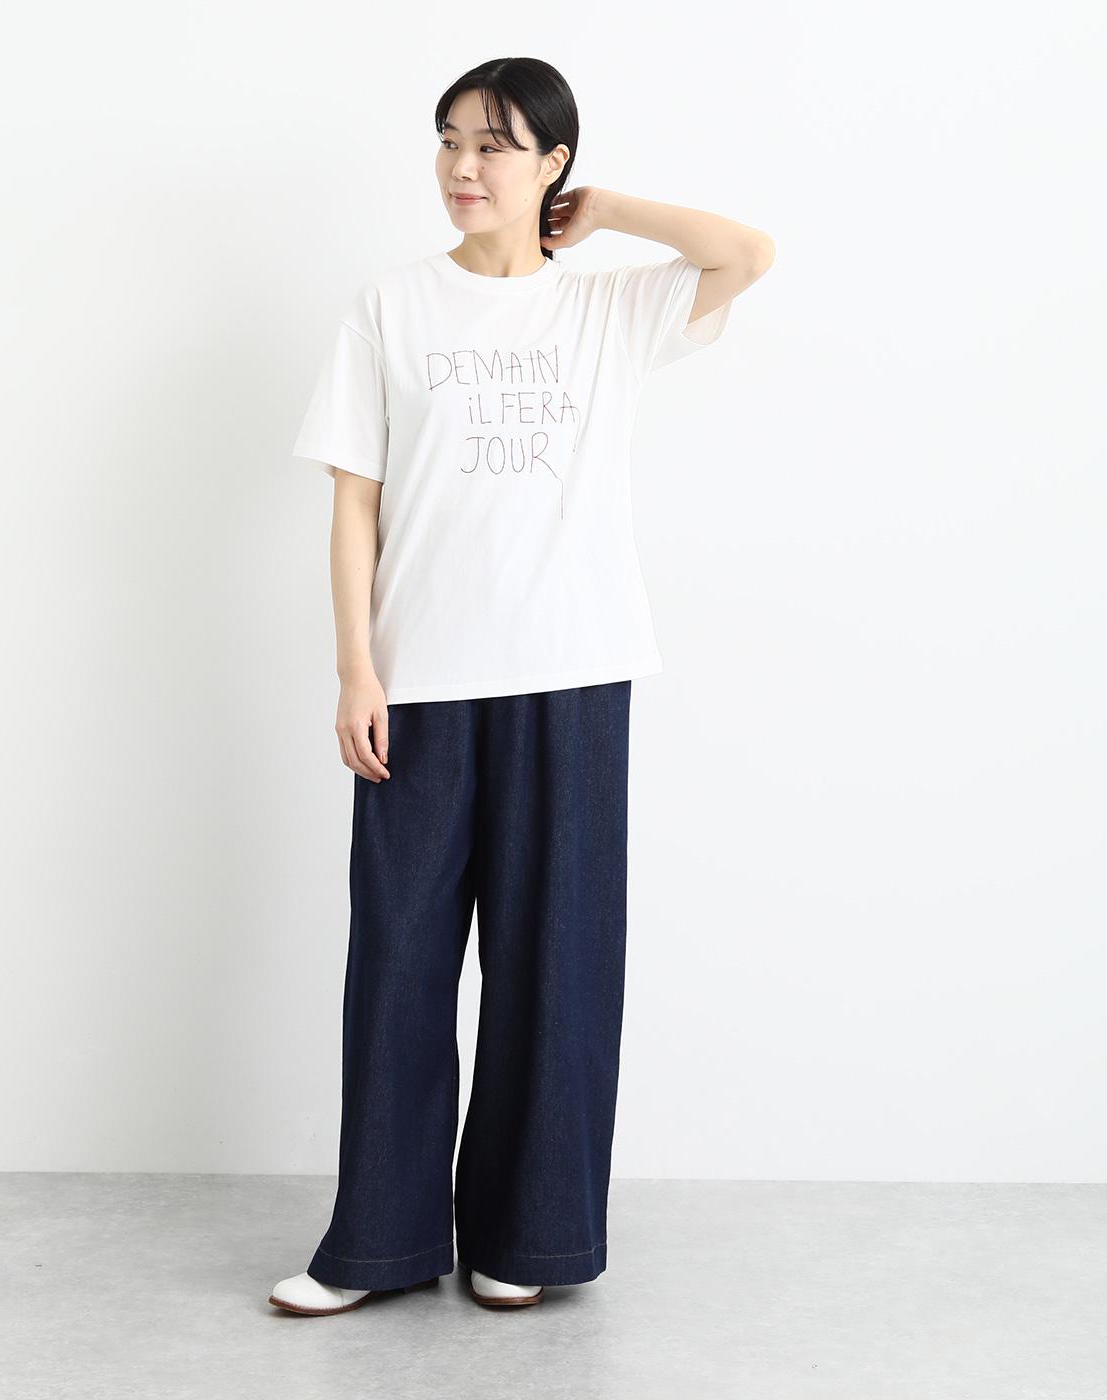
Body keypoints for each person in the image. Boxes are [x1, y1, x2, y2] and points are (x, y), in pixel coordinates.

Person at [269, 56, 775, 1317]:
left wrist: (606, 212)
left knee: (558, 963)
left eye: (495, 145)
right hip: (421, 682)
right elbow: (353, 499)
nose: (462, 166)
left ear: (551, 162)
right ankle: (378, 1241)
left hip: (574, 670)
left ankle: (530, 1236)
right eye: (449, 139)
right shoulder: (391, 306)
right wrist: (355, 666)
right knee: (399, 959)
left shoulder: (607, 309)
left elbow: (748, 251)